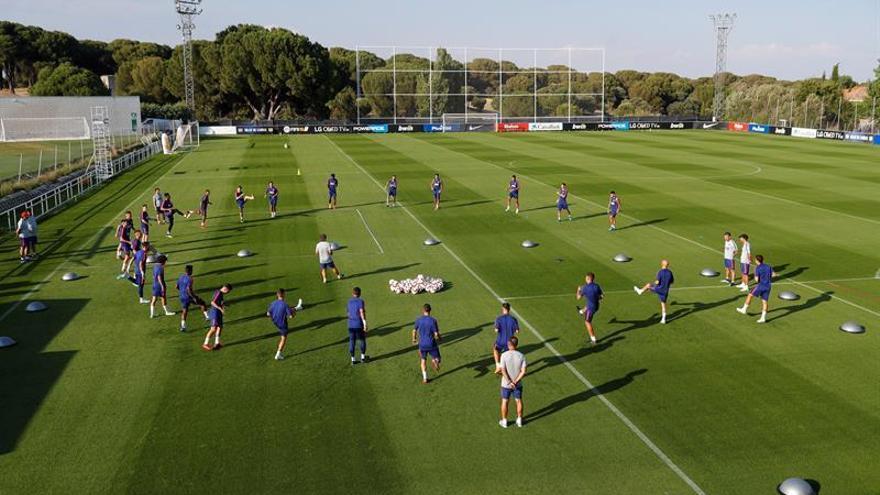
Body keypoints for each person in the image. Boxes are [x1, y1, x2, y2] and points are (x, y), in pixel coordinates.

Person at [736, 254, 776, 323]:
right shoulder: (768, 266)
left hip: (761, 285)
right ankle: (763, 318)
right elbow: (774, 274)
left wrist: (758, 277)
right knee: (764, 302)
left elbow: (756, 280)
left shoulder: (758, 268)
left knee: (750, 295)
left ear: (757, 260)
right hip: (768, 286)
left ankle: (744, 309)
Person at [633, 259, 675, 324]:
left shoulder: (660, 272)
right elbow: (672, 282)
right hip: (665, 291)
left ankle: (640, 291)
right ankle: (663, 319)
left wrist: (654, 285)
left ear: (661, 264)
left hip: (659, 289)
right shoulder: (670, 272)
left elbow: (657, 282)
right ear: (668, 265)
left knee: (648, 285)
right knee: (663, 305)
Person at [498, 336, 527, 428]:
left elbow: (503, 370)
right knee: (518, 401)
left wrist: (509, 382)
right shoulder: (522, 356)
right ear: (516, 344)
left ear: (509, 344)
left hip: (506, 384)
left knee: (505, 401)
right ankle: (519, 420)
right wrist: (515, 382)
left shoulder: (504, 355)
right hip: (517, 384)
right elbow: (523, 371)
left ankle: (504, 421)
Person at [267, 288, 302, 360]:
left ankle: (298, 307)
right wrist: (294, 313)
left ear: (277, 295)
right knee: (283, 338)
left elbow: (268, 313)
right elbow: (291, 316)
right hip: (282, 324)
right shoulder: (285, 304)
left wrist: (273, 318)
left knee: (290, 310)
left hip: (275, 322)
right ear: (283, 294)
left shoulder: (273, 303)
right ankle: (278, 354)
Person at [412, 303, 441, 383]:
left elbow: (414, 330)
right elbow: (436, 334)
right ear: (430, 310)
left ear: (423, 310)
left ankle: (425, 378)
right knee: (438, 358)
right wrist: (439, 338)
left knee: (423, 360)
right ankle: (435, 360)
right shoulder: (433, 320)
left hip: (422, 344)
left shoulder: (418, 319)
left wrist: (414, 339)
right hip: (431, 343)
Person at [177, 265, 209, 332]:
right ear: (191, 271)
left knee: (185, 311)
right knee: (202, 303)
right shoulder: (190, 278)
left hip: (182, 296)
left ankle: (183, 326)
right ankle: (207, 317)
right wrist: (194, 297)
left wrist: (182, 291)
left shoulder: (181, 277)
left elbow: (177, 286)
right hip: (189, 296)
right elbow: (189, 289)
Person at [576, 272, 604, 344]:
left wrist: (578, 290)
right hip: (596, 305)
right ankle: (581, 312)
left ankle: (593, 339)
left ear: (588, 278)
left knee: (587, 322)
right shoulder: (597, 286)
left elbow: (578, 298)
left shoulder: (584, 288)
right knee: (588, 304)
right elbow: (602, 296)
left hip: (591, 308)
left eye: (586, 278)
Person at [202, 284, 232, 351]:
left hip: (218, 313)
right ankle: (205, 344)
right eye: (228, 291)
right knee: (213, 329)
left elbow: (219, 301)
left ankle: (217, 343)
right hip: (214, 312)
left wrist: (224, 304)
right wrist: (220, 309)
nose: (227, 293)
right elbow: (212, 302)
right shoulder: (218, 293)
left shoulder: (220, 293)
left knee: (220, 327)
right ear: (226, 289)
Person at [493, 302, 519, 374]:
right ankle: (505, 369)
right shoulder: (513, 319)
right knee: (507, 356)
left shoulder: (499, 318)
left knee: (495, 350)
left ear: (503, 309)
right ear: (509, 309)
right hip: (510, 342)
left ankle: (498, 365)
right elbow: (517, 331)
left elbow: (496, 330)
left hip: (500, 340)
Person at [346, 287, 368, 364]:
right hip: (358, 324)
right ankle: (362, 357)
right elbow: (361, 312)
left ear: (353, 294)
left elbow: (348, 314)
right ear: (360, 294)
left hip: (351, 325)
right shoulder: (360, 301)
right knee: (362, 340)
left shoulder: (349, 302)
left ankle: (353, 359)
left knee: (352, 341)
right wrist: (365, 323)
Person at [115, 215, 134, 279]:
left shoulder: (126, 228)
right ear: (123, 223)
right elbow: (121, 239)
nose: (126, 224)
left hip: (127, 243)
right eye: (125, 223)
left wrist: (130, 240)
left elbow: (127, 236)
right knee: (127, 256)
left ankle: (125, 267)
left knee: (130, 255)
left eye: (127, 223)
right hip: (125, 244)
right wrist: (129, 242)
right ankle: (123, 268)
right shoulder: (123, 229)